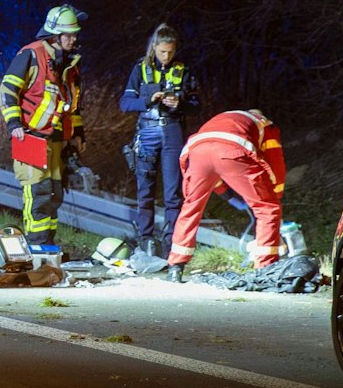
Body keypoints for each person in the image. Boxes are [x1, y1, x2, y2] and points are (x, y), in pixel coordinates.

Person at [0, 5, 86, 253]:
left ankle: (48, 245)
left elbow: (74, 105)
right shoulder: (31, 55)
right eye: (68, 35)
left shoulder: (70, 65)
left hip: (57, 140)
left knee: (55, 195)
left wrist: (78, 134)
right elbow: (7, 90)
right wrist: (14, 123)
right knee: (38, 193)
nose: (73, 39)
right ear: (54, 35)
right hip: (31, 137)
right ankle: (35, 246)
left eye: (75, 34)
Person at [167, 109, 287, 281]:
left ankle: (175, 266)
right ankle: (265, 267)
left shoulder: (226, 118)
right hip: (233, 151)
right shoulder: (265, 124)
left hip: (197, 151)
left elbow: (214, 168)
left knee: (191, 207)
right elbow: (275, 160)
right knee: (268, 209)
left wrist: (228, 196)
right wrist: (274, 195)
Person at [119, 23, 199, 256]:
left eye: (171, 52)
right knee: (145, 191)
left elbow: (196, 106)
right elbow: (124, 104)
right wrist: (147, 100)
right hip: (147, 131)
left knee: (173, 193)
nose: (166, 57)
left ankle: (170, 243)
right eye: (163, 52)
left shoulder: (184, 70)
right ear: (154, 47)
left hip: (173, 131)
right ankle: (145, 239)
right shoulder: (140, 69)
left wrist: (180, 104)